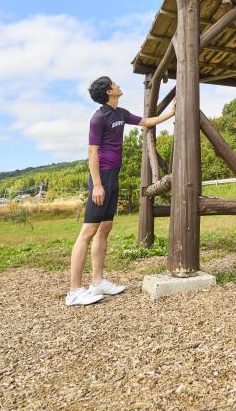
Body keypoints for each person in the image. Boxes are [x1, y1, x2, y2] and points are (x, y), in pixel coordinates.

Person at [66, 76, 175, 306]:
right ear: (108, 91)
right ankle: (73, 291)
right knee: (88, 231)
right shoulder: (98, 118)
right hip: (101, 177)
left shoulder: (120, 113)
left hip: (113, 175)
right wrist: (96, 184)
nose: (118, 85)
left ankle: (97, 281)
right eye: (114, 84)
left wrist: (171, 113)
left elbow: (146, 121)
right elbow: (92, 152)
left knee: (105, 227)